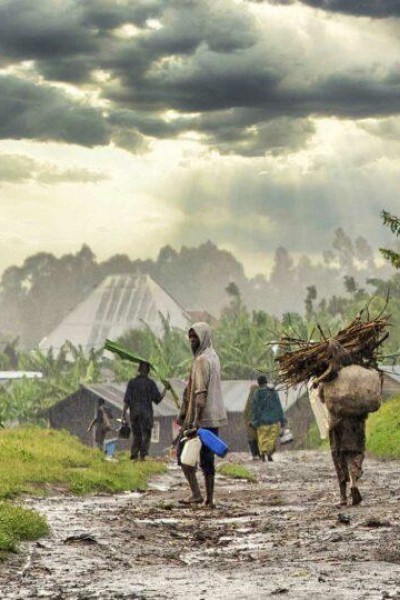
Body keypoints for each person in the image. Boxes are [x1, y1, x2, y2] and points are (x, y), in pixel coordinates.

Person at [177, 322, 228, 508]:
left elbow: (200, 393)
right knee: (208, 458)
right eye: (190, 339)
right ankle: (209, 499)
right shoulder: (214, 357)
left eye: (195, 339)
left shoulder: (200, 361)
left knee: (184, 456)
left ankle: (197, 494)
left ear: (203, 338)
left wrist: (195, 421)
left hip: (201, 418)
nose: (191, 343)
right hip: (214, 417)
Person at [316, 340, 367, 507]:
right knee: (356, 453)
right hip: (356, 423)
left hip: (336, 424)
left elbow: (323, 398)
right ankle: (354, 482)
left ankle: (343, 497)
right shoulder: (359, 374)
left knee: (339, 457)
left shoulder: (329, 375)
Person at [121, 361, 169, 461]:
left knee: (136, 435)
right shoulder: (150, 384)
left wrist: (123, 414)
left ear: (138, 370)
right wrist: (166, 388)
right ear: (148, 371)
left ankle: (134, 456)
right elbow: (158, 399)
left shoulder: (132, 383)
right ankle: (143, 456)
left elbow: (126, 400)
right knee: (146, 435)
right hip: (146, 414)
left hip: (134, 414)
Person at [251, 375, 285, 462]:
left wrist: (254, 421)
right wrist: (282, 420)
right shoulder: (273, 392)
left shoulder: (257, 394)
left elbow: (254, 408)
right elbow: (278, 406)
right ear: (266, 382)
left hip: (262, 422)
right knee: (272, 438)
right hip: (274, 420)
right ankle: (269, 453)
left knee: (262, 438)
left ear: (259, 384)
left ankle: (263, 453)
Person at [243, 384, 260, 459]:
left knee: (254, 439)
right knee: (253, 439)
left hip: (255, 423)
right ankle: (255, 454)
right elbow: (246, 412)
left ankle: (256, 454)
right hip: (252, 423)